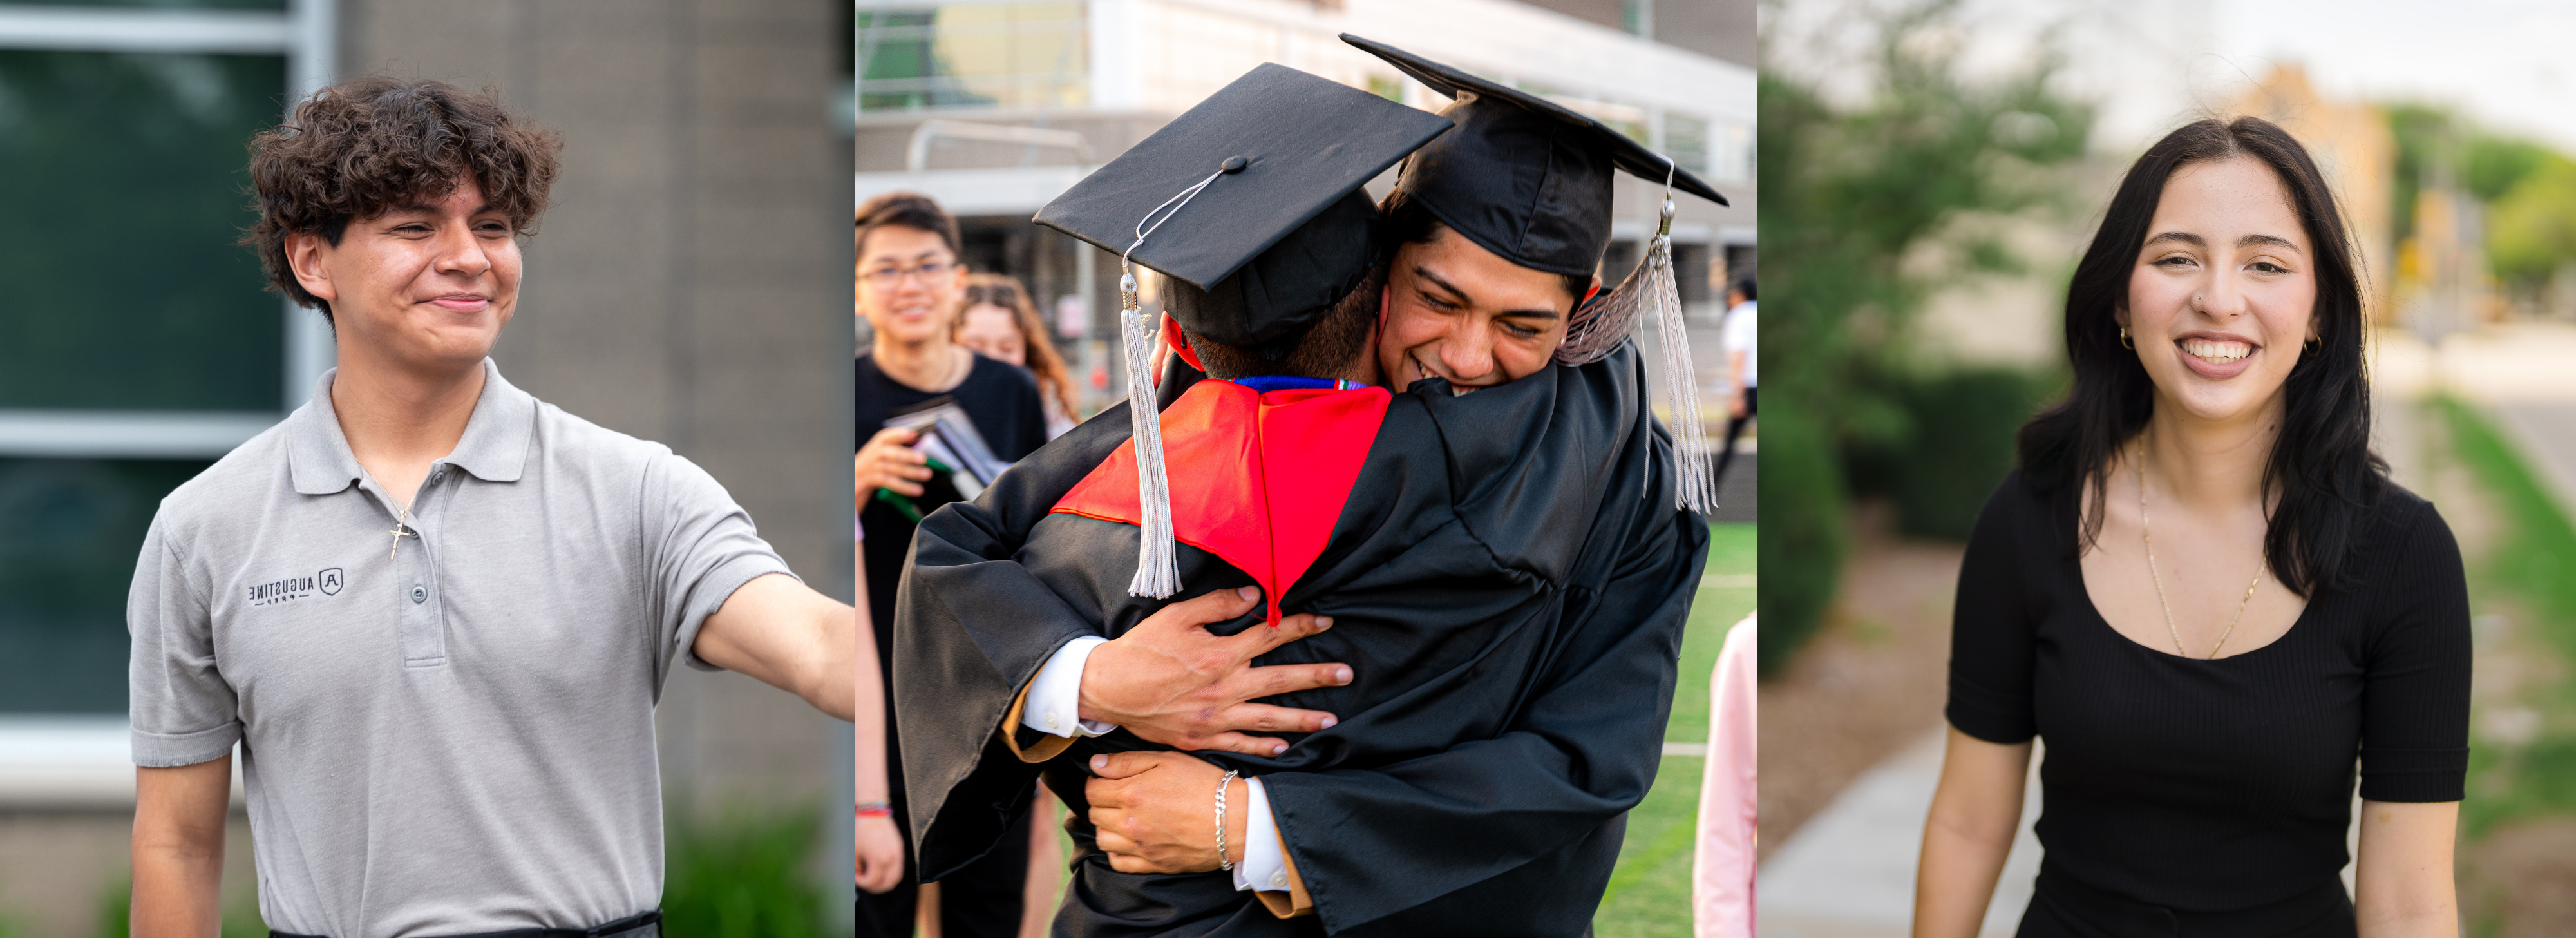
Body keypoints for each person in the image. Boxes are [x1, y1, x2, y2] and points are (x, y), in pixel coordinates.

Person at [897, 44, 1723, 935]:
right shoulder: (1214, 407)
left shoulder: (1631, 483)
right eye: (1437, 300)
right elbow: (961, 549)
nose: (1470, 356)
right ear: (1375, 274)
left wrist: (1255, 827)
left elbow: (1588, 758)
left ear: (1583, 312)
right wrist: (1099, 679)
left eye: (1524, 324)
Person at [126, 77, 855, 938]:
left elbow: (817, 647)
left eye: (493, 227)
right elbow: (177, 842)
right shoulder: (203, 529)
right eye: (416, 227)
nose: (471, 256)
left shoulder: (639, 492)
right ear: (312, 261)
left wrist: (996, 673)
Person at [1912, 117, 2468, 937]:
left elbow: (2413, 901)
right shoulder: (2030, 516)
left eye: (2265, 264)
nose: (2217, 298)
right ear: (2118, 300)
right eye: (2176, 258)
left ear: (2318, 311)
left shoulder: (2403, 554)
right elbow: (1966, 819)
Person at [851, 192, 1050, 937]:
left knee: (988, 906)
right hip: (879, 694)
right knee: (875, 905)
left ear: (958, 280)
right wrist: (857, 479)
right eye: (888, 269)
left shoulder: (1010, 390)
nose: (909, 285)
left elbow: (1042, 537)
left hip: (983, 691)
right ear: (862, 290)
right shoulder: (847, 390)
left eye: (927, 266)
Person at [956, 272, 1083, 438]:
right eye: (975, 348)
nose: (993, 360)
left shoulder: (1050, 420)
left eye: (1007, 348)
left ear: (1027, 351)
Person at [1714, 274, 1756, 489]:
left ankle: (1707, 499)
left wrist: (1737, 395)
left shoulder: (1738, 316)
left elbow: (1739, 356)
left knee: (1728, 446)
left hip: (1749, 388)